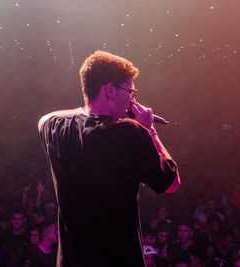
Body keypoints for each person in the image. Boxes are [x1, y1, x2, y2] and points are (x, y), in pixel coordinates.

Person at [38, 50, 180, 267]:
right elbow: (171, 183)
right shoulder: (130, 132)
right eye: (131, 92)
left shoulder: (55, 127)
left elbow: (44, 119)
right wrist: (150, 130)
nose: (133, 100)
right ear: (110, 90)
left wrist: (86, 111)